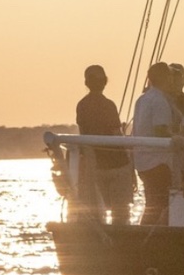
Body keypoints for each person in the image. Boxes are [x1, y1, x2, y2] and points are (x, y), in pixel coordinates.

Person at [75, 65, 134, 225]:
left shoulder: (82, 105)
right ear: (105, 82)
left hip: (95, 164)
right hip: (117, 163)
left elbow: (84, 135)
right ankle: (121, 238)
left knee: (94, 212)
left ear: (87, 82)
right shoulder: (109, 105)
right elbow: (116, 133)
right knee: (121, 212)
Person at [132, 62, 177, 225]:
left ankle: (144, 234)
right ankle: (147, 236)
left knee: (151, 203)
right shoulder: (159, 101)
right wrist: (177, 137)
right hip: (158, 162)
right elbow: (160, 130)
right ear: (165, 78)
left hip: (142, 161)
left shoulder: (142, 99)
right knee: (160, 204)